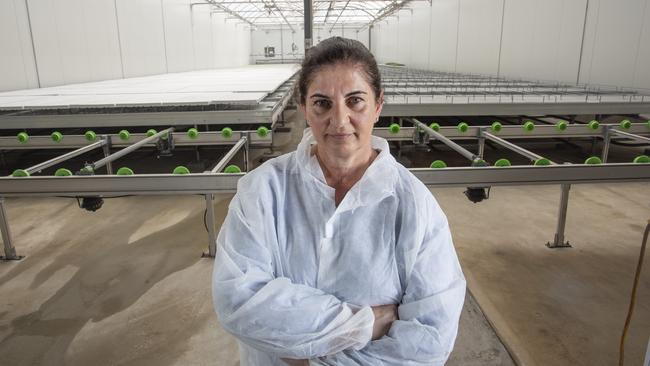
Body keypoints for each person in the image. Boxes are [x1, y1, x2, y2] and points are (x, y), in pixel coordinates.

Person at [212, 37, 465, 366]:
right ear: (304, 109)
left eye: (355, 100)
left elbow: (430, 339)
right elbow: (238, 302)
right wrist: (364, 325)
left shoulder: (414, 205)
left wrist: (309, 359)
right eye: (322, 103)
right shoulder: (262, 191)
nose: (340, 119)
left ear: (378, 106)